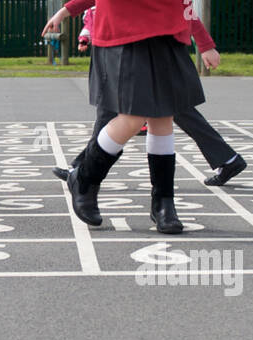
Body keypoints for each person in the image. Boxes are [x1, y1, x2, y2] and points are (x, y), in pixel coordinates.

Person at [43, 0, 206, 235]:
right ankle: (86, 178)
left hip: (168, 31)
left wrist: (205, 42)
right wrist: (67, 10)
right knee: (133, 117)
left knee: (163, 118)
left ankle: (164, 202)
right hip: (124, 31)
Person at [53, 6, 246, 188]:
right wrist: (65, 11)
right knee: (170, 111)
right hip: (127, 48)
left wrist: (205, 45)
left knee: (118, 111)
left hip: (150, 50)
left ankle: (81, 170)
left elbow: (183, 7)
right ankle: (227, 159)